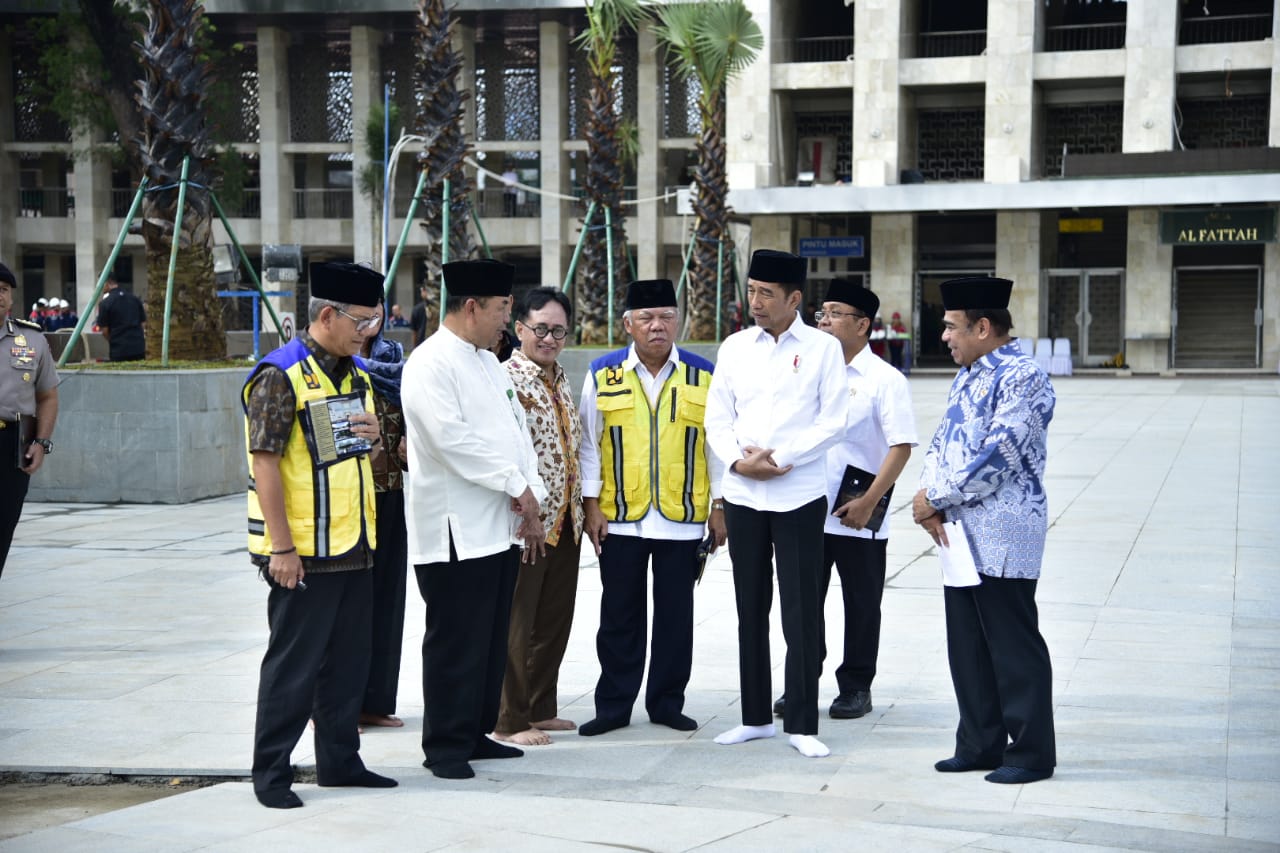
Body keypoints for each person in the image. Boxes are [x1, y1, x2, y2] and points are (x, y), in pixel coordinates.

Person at [243, 260, 397, 809]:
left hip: (354, 546)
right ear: (327, 314)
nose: (369, 332)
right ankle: (271, 775)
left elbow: (362, 458)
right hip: (302, 553)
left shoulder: (355, 373)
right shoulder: (279, 375)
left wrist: (378, 438)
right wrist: (281, 548)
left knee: (349, 665)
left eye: (376, 321)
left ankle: (340, 760)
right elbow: (264, 464)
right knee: (292, 667)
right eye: (362, 321)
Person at [401, 258, 548, 780]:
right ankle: (443, 744)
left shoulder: (488, 361)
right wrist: (516, 485)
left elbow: (518, 434)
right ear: (470, 307)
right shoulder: (429, 363)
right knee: (455, 642)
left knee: (487, 641)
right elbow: (450, 441)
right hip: (454, 533)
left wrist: (532, 490)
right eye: (503, 310)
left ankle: (474, 733)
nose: (507, 321)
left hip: (497, 528)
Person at [702, 250, 848, 758]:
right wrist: (740, 465)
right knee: (750, 607)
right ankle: (755, 717)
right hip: (744, 494)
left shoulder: (824, 349)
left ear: (794, 298)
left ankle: (803, 723)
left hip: (798, 494)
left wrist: (780, 458)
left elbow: (833, 422)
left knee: (801, 610)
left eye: (767, 294)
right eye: (751, 291)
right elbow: (717, 417)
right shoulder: (736, 346)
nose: (756, 302)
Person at [912, 275, 1057, 785]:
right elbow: (941, 442)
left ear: (984, 326)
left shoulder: (1023, 376)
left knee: (1012, 647)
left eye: (951, 328)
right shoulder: (969, 373)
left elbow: (1000, 455)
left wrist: (937, 496)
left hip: (1003, 532)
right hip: (958, 532)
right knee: (968, 646)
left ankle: (1031, 753)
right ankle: (978, 743)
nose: (945, 337)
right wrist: (926, 497)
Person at [576, 279, 727, 738]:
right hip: (620, 517)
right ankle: (613, 706)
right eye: (646, 318)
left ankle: (666, 702)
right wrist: (591, 505)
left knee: (675, 619)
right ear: (628, 324)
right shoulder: (603, 373)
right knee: (619, 616)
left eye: (665, 316)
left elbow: (717, 447)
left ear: (678, 320)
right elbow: (587, 443)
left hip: (682, 519)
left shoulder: (703, 375)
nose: (657, 326)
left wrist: (719, 506)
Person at [772, 281, 916, 721]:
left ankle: (855, 687)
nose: (824, 321)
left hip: (858, 513)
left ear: (862, 325)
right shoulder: (807, 370)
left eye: (835, 313)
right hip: (806, 509)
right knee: (803, 604)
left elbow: (901, 445)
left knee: (861, 604)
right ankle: (800, 683)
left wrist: (870, 501)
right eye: (822, 313)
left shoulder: (883, 380)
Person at [494, 287, 584, 747]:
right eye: (541, 329)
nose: (549, 339)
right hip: (527, 523)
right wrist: (525, 508)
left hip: (567, 520)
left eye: (559, 331)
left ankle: (541, 706)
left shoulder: (561, 377)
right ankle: (509, 719)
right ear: (520, 329)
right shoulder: (505, 377)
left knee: (553, 619)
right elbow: (504, 450)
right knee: (518, 622)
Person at [358, 302, 409, 730]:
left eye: (377, 304)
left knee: (387, 602)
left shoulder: (396, 362)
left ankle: (375, 701)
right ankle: (337, 704)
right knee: (350, 606)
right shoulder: (338, 365)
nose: (371, 314)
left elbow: (410, 422)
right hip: (353, 500)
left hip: (392, 494)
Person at [0, 262, 59, 576]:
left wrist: (41, 442)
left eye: (4, 289)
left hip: (12, 445)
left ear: (11, 298)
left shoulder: (33, 340)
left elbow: (48, 397)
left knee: (4, 524)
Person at [95, 275, 146, 361]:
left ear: (107, 283)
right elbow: (143, 323)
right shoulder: (134, 299)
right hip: (138, 348)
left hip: (119, 349)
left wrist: (114, 340)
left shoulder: (105, 303)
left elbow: (104, 331)